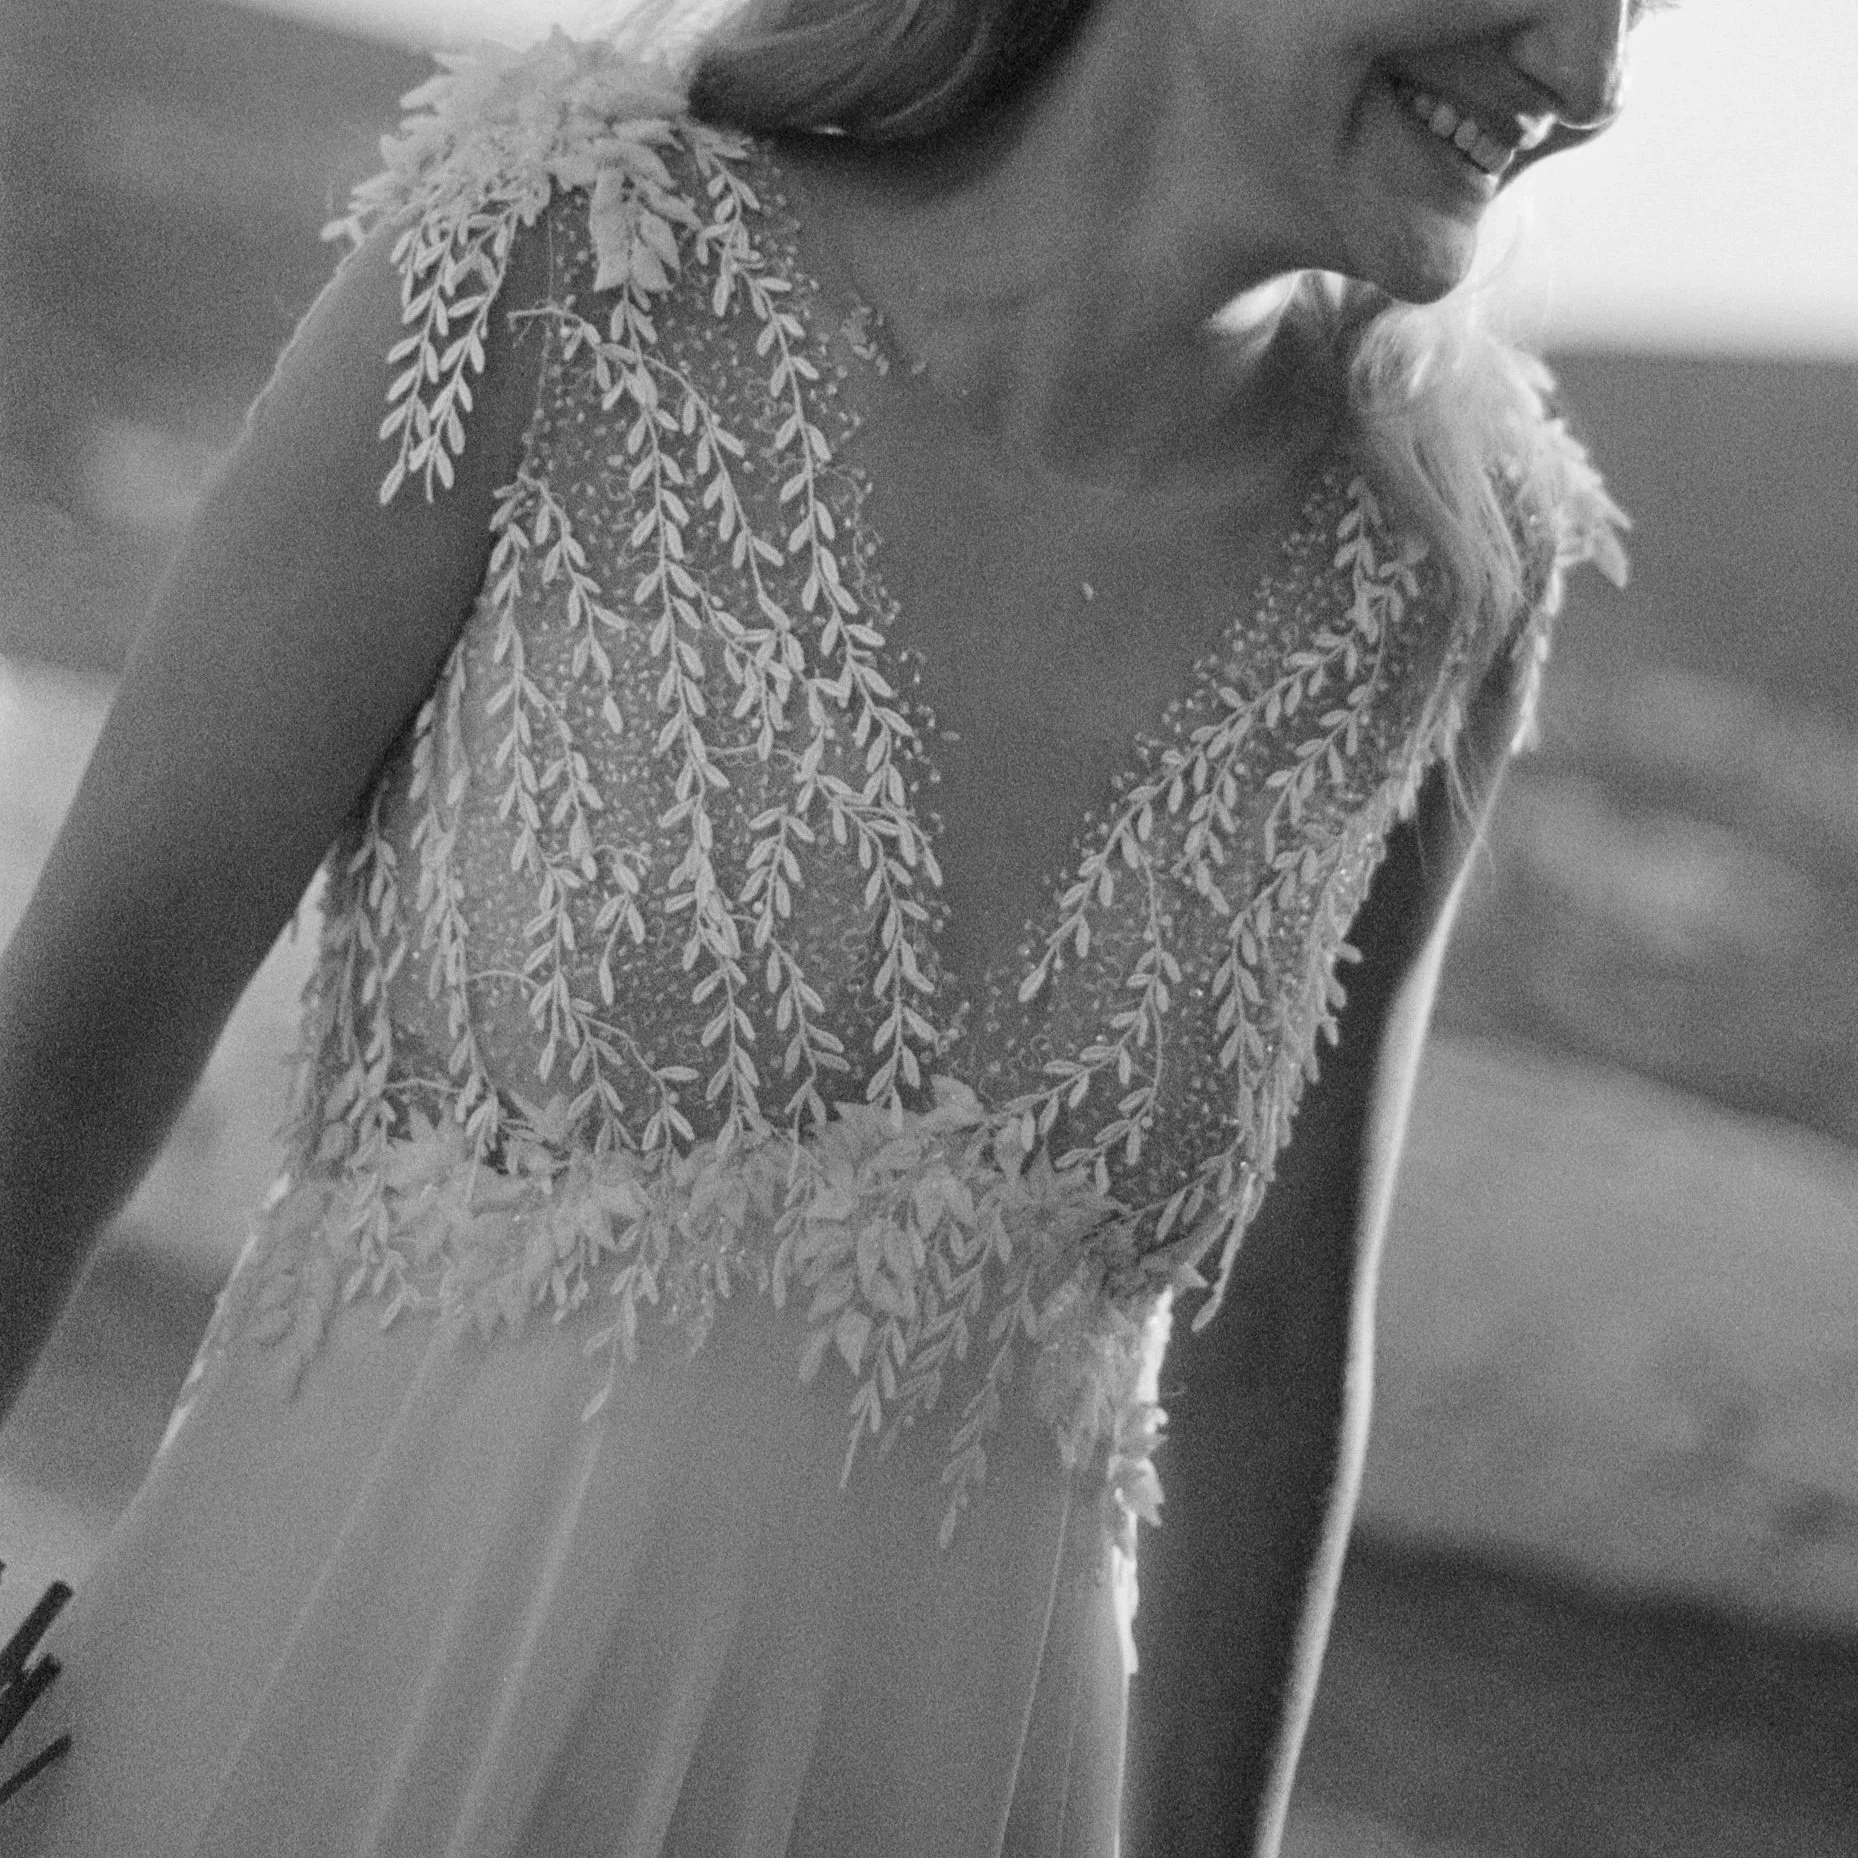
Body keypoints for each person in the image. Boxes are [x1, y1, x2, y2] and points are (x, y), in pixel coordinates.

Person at [0, 0, 1640, 1850]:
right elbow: (73, 1037)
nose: (1588, 81)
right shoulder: (572, 259)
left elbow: (1266, 1354)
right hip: (326, 1737)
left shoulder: (1443, 553)